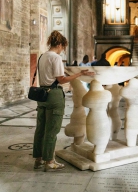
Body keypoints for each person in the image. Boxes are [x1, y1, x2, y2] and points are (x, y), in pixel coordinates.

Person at [33, 30, 94, 172]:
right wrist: (80, 73)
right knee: (52, 130)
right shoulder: (55, 58)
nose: (62, 50)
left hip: (41, 95)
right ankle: (49, 161)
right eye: (63, 47)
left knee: (40, 129)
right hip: (54, 95)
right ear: (59, 44)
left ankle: (38, 159)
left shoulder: (42, 56)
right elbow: (61, 79)